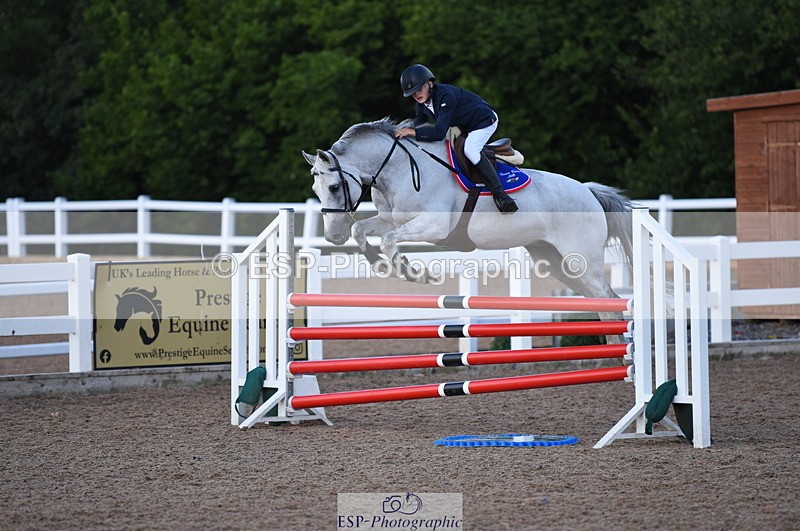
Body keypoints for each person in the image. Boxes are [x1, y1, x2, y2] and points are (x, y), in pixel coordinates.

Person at [395, 64, 518, 214]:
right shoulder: (421, 106)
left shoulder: (446, 96)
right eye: (413, 93)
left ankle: (501, 195)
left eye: (419, 89)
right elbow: (418, 127)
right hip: (466, 125)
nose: (417, 94)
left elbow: (439, 132)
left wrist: (409, 131)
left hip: (484, 121)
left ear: (430, 84)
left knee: (470, 150)